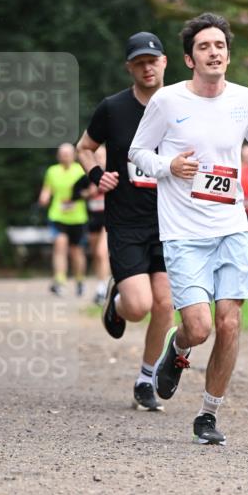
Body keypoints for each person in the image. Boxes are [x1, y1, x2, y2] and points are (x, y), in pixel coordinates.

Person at [128, 12, 248, 445]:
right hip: (183, 233)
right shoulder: (168, 101)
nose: (214, 52)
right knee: (199, 328)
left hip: (231, 227)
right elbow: (138, 152)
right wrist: (169, 166)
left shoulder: (246, 100)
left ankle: (208, 415)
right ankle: (178, 350)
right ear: (189, 59)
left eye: (220, 46)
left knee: (229, 323)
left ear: (228, 56)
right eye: (204, 47)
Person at [76, 32, 174, 411]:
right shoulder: (113, 108)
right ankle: (117, 302)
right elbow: (85, 148)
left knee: (165, 303)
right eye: (139, 63)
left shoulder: (183, 105)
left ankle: (145, 379)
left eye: (152, 61)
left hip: (171, 221)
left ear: (165, 62)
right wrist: (97, 175)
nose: (147, 68)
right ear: (129, 68)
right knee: (138, 306)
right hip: (126, 221)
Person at [38, 143, 88, 297]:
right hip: (57, 215)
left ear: (74, 155)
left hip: (78, 217)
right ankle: (60, 280)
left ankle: (79, 280)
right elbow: (47, 189)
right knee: (60, 245)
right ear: (58, 156)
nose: (65, 157)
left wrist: (77, 197)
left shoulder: (81, 170)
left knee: (76, 251)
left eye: (67, 154)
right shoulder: (52, 171)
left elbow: (90, 191)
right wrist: (44, 197)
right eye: (62, 154)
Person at [71, 145, 111, 305]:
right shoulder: (87, 177)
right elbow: (75, 194)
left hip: (110, 219)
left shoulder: (114, 174)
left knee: (102, 253)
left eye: (102, 156)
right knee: (97, 255)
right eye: (96, 156)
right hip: (93, 220)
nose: (99, 159)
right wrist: (88, 193)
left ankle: (102, 289)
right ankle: (104, 283)